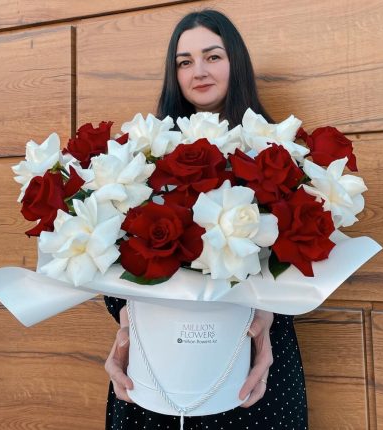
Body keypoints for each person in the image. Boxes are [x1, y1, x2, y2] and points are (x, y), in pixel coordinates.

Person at [104, 9, 308, 430]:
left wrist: (268, 316)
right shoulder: (142, 155)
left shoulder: (279, 153)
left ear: (236, 62)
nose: (198, 70)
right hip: (158, 358)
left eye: (213, 56)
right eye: (185, 62)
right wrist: (127, 321)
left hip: (250, 357)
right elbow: (113, 262)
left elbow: (299, 259)